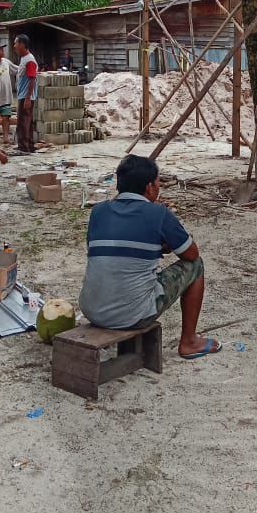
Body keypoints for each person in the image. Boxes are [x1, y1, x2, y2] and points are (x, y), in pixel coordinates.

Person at [79, 154, 221, 360]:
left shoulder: (98, 212)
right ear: (148, 187)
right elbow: (192, 254)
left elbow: (108, 252)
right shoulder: (159, 214)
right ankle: (189, 341)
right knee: (196, 266)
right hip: (133, 315)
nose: (158, 188)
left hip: (92, 310)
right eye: (157, 183)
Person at [14, 34, 39, 153]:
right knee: (26, 122)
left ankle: (24, 147)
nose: (14, 46)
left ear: (22, 44)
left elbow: (32, 79)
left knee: (23, 122)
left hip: (26, 96)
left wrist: (28, 98)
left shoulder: (29, 60)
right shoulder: (24, 58)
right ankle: (29, 145)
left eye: (16, 43)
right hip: (23, 95)